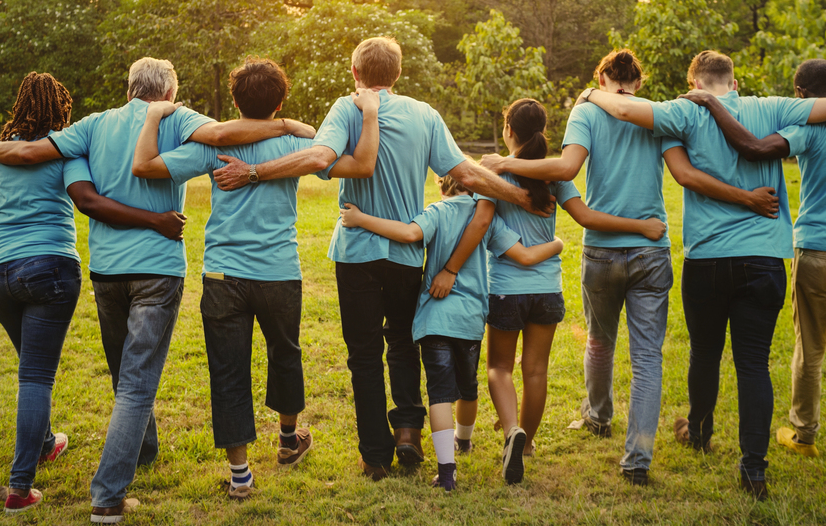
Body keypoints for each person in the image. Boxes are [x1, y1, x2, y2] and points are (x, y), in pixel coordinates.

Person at [0, 57, 316, 523]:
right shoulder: (178, 118)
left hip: (107, 270)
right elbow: (222, 136)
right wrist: (287, 126)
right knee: (136, 385)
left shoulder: (93, 125)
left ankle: (145, 449)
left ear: (130, 88)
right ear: (169, 93)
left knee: (123, 375)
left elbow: (31, 156)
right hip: (157, 266)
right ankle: (108, 497)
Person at [212, 37, 549, 481]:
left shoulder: (347, 108)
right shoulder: (424, 114)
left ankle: (375, 455)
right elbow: (464, 173)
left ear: (355, 73)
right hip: (408, 251)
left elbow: (317, 156)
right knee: (405, 345)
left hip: (357, 251)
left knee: (364, 356)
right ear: (397, 74)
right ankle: (409, 430)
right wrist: (521, 197)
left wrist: (253, 171)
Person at [479, 51, 780, 486]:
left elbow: (566, 169)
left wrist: (503, 163)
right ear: (638, 83)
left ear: (600, 78)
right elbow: (682, 173)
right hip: (650, 251)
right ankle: (637, 458)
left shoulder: (586, 112)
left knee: (600, 342)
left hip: (601, 250)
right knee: (646, 357)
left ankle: (599, 415)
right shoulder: (655, 116)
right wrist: (746, 196)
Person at [584, 49, 826, 498]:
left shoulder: (686, 111)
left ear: (694, 84)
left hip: (709, 259)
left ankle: (699, 431)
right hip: (764, 258)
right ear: (733, 84)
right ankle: (753, 468)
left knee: (704, 352)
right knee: (753, 363)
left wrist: (588, 94)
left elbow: (621, 107)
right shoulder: (770, 107)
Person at [130, 57, 382, 499]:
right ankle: (287, 440)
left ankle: (241, 475)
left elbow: (148, 165)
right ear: (280, 99)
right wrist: (304, 127)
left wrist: (153, 121)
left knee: (228, 370)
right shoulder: (296, 144)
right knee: (286, 355)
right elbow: (351, 162)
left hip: (223, 274)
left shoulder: (214, 145)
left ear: (234, 100)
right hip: (279, 272)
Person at [0, 72, 187, 515]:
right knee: (36, 377)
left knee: (31, 368)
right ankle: (20, 487)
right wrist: (155, 219)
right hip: (49, 270)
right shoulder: (69, 146)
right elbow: (86, 199)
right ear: (60, 107)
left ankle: (45, 442)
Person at [679, 58, 826, 499]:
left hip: (817, 249)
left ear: (800, 95)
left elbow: (755, 148)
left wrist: (709, 101)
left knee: (811, 347)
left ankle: (804, 435)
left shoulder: (808, 130)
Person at [339, 168, 563, 491]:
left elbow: (408, 234)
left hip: (434, 320)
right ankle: (464, 440)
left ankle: (447, 473)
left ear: (442, 186)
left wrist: (361, 220)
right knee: (467, 388)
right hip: (470, 321)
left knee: (440, 394)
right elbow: (525, 255)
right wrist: (556, 244)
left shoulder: (436, 212)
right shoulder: (486, 218)